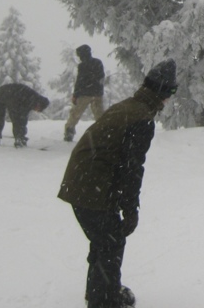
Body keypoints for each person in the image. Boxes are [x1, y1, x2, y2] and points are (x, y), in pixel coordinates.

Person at [58, 58, 178, 308]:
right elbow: (131, 169)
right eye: (171, 93)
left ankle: (103, 293)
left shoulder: (129, 106)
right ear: (163, 93)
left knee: (105, 242)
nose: (169, 100)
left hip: (80, 181)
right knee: (109, 244)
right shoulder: (142, 118)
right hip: (91, 185)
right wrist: (130, 209)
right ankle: (105, 301)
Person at [64, 44, 106, 142]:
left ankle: (69, 133)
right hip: (97, 94)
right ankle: (103, 133)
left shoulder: (82, 66)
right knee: (100, 116)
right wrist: (98, 90)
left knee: (75, 114)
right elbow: (101, 78)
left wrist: (75, 95)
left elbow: (79, 81)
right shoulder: (98, 62)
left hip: (84, 94)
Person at [0, 82, 50, 147]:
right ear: (39, 104)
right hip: (11, 96)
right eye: (39, 109)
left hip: (1, 93)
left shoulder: (32, 96)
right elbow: (22, 119)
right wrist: (21, 134)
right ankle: (19, 139)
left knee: (0, 117)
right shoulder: (31, 99)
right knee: (17, 119)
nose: (37, 111)